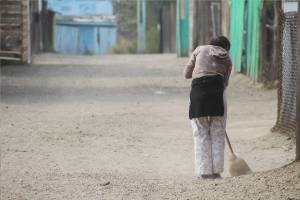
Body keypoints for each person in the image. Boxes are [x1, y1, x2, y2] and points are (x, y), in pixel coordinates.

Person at [184, 36, 232, 179]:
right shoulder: (227, 59)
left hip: (198, 93)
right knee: (218, 132)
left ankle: (204, 172)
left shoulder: (199, 49)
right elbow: (225, 83)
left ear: (210, 43)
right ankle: (216, 172)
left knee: (200, 132)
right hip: (218, 94)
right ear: (225, 48)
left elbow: (186, 74)